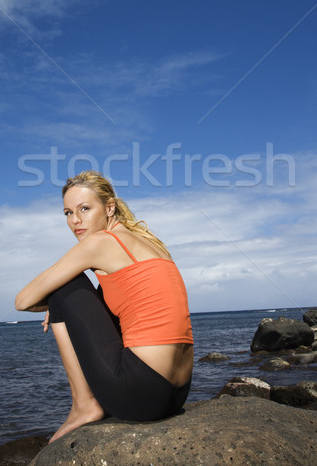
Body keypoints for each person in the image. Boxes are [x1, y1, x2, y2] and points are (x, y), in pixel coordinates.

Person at [15, 171, 193, 442]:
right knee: (65, 293)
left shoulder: (100, 243)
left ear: (110, 207)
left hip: (141, 393)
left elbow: (22, 301)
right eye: (67, 213)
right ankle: (87, 403)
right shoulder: (151, 245)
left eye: (85, 209)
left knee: (64, 285)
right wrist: (66, 309)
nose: (75, 221)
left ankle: (84, 405)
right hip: (177, 393)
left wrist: (56, 301)